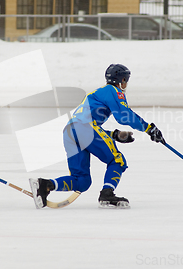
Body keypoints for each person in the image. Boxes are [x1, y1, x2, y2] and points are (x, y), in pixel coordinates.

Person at [29, 64, 165, 209]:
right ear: (121, 80)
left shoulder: (97, 93)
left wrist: (114, 135)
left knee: (82, 181)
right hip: (85, 128)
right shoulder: (113, 90)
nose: (126, 84)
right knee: (117, 160)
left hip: (70, 131)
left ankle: (45, 185)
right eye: (126, 80)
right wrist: (149, 128)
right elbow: (123, 115)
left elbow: (86, 124)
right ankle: (107, 193)